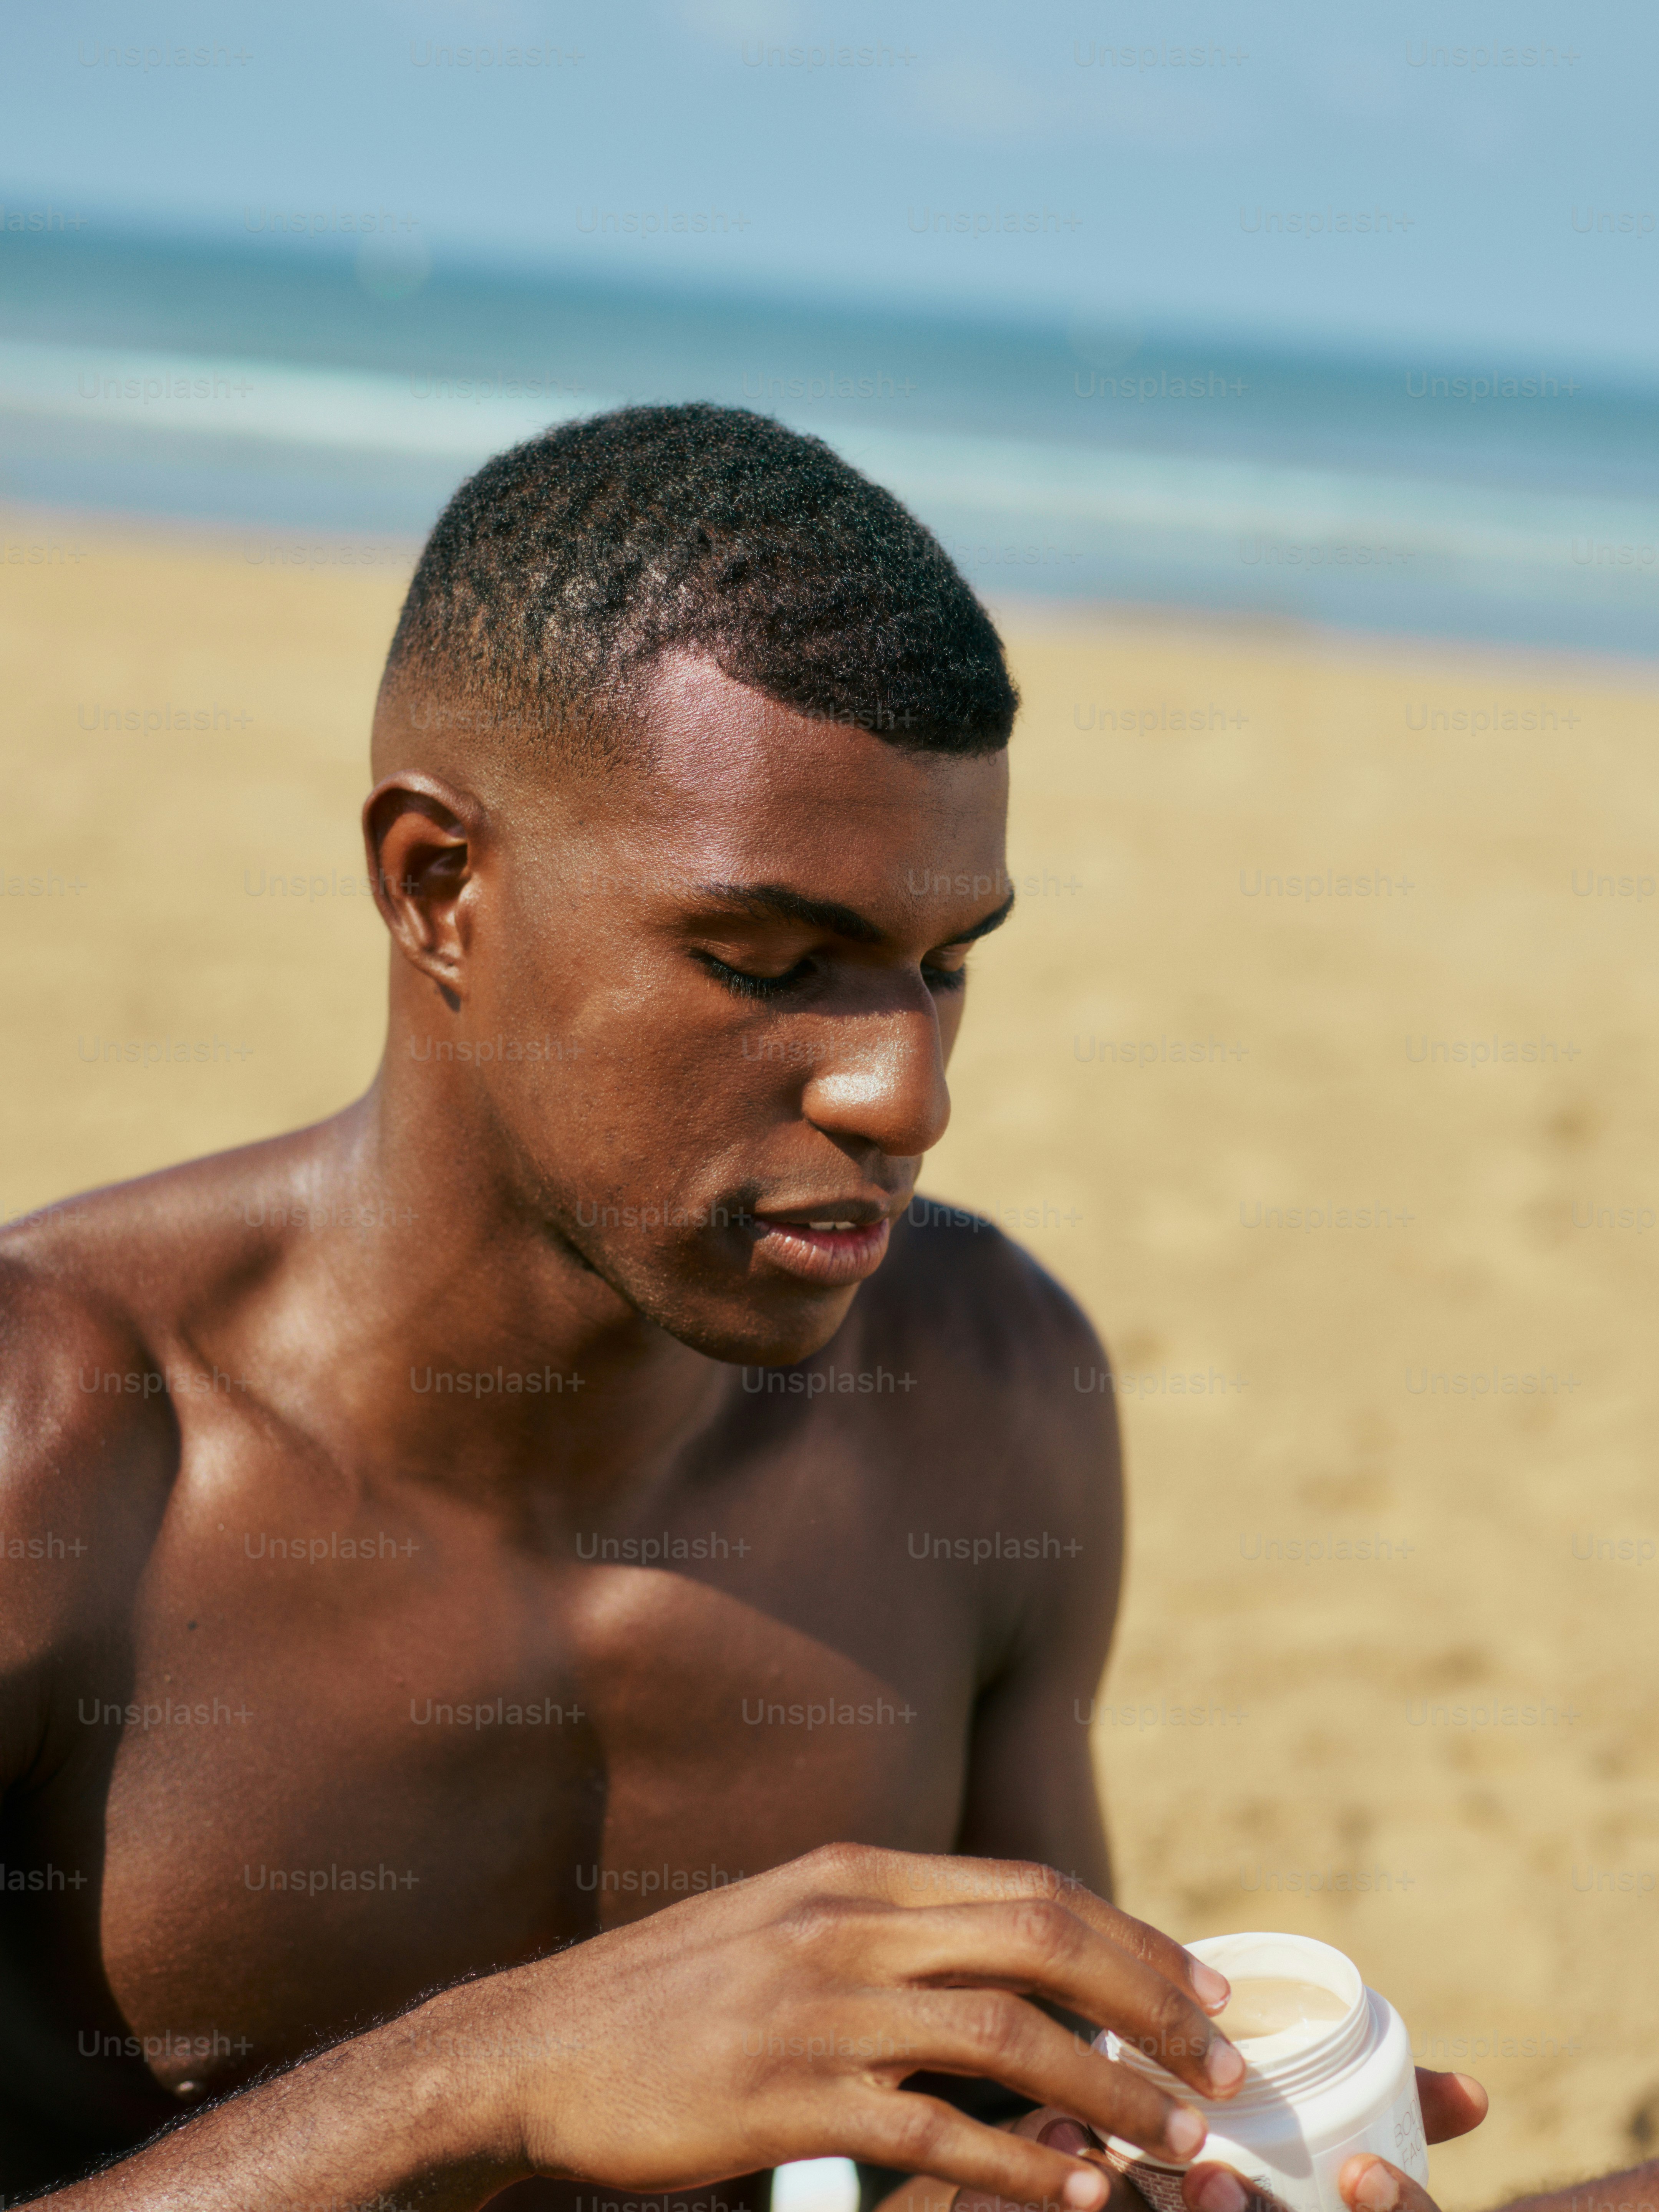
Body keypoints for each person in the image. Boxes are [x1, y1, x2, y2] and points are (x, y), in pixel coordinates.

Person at [1, 404, 1480, 2212]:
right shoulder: (54, 1451)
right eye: (771, 965)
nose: (902, 1097)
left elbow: (1021, 2134)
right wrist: (497, 2074)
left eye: (945, 968)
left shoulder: (986, 1391)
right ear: (438, 888)